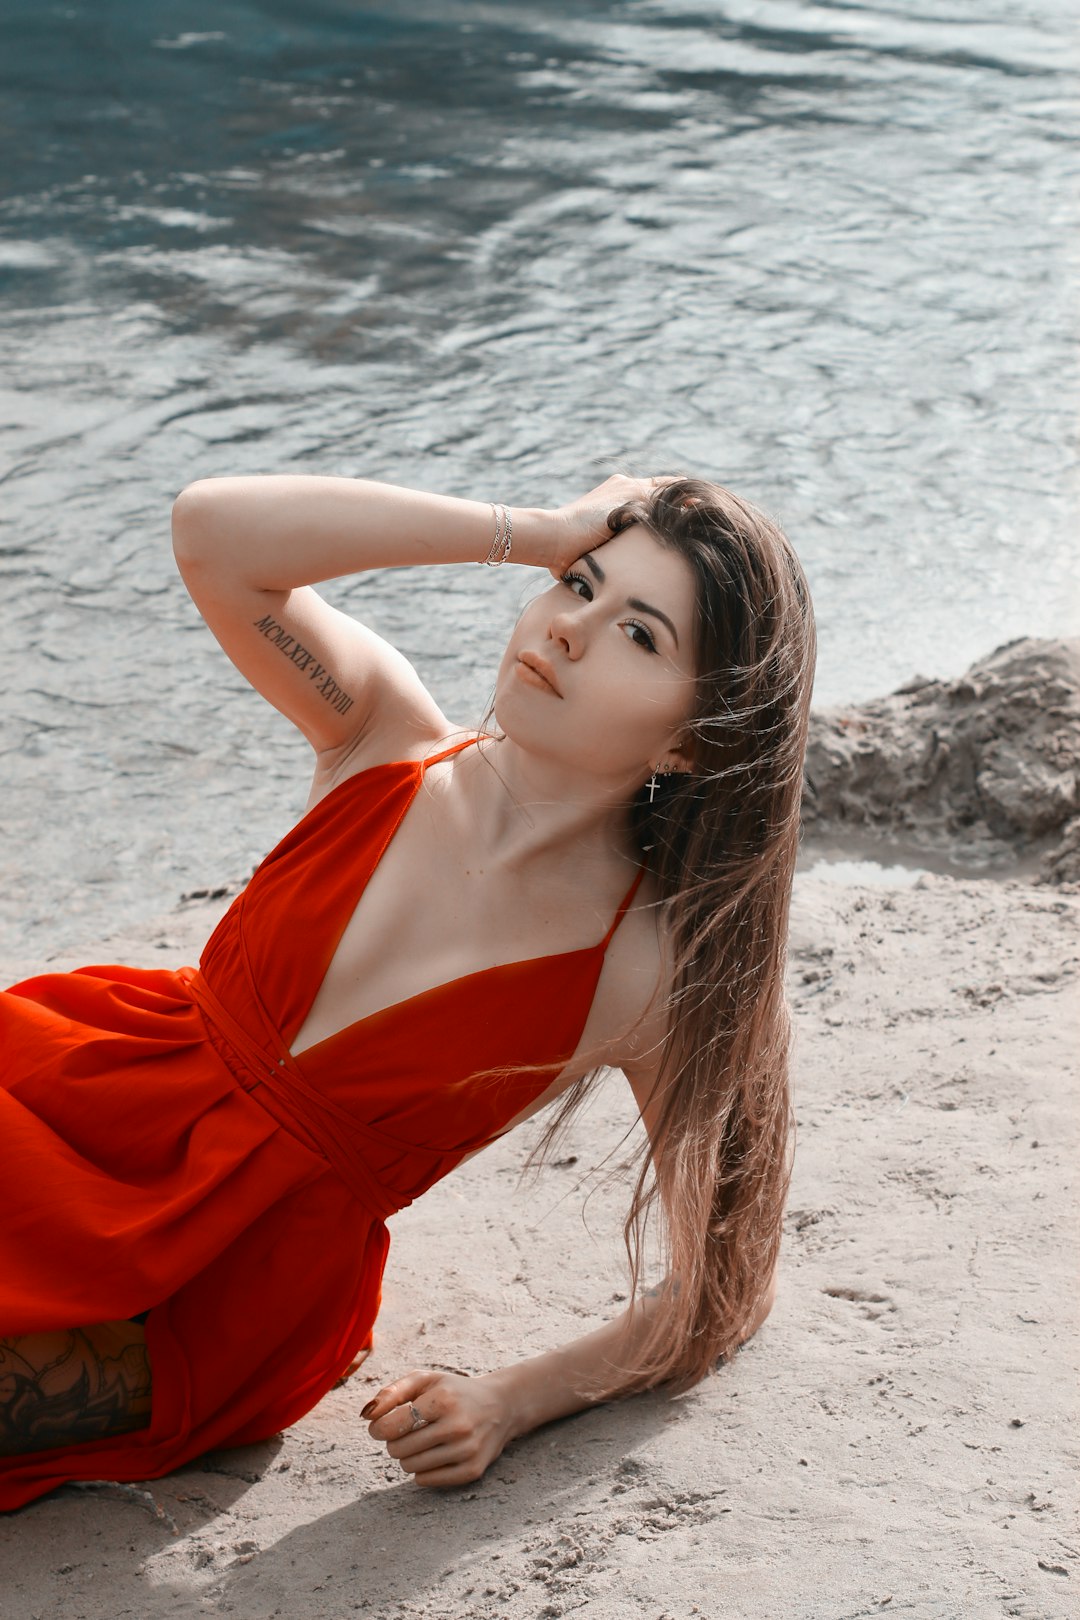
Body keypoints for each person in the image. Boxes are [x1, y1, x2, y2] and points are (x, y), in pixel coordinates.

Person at [0, 470, 816, 1509]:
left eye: (640, 635)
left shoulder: (641, 971)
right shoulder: (382, 736)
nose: (569, 631)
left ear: (697, 738)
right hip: (66, 1096)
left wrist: (512, 1400)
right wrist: (537, 532)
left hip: (215, 1286)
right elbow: (212, 531)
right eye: (578, 587)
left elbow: (719, 1288)